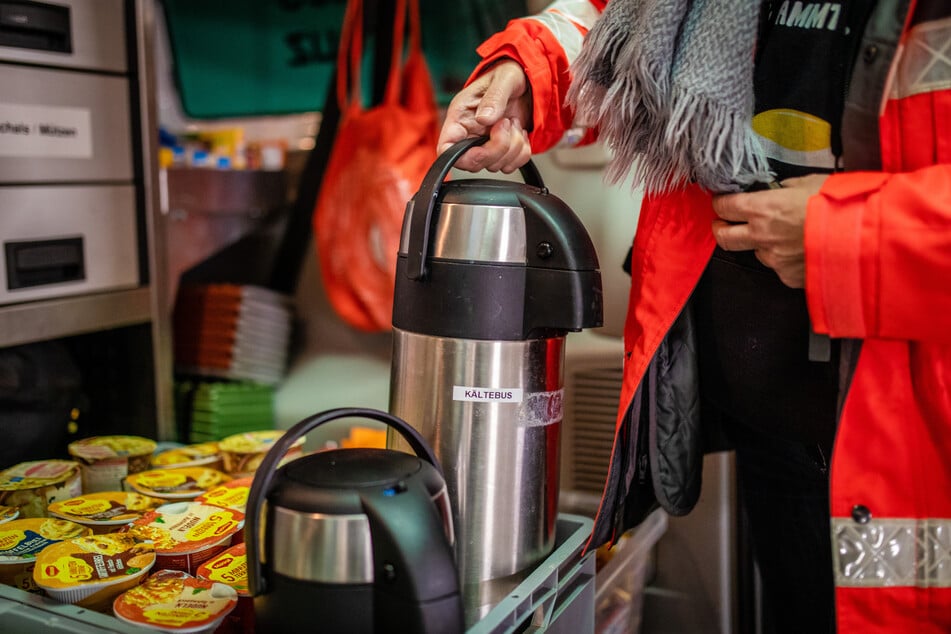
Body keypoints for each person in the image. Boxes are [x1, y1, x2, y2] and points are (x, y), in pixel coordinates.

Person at [436, 1, 951, 633]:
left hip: (920, 451)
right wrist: (524, 74)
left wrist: (845, 237)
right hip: (779, 429)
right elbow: (623, 22)